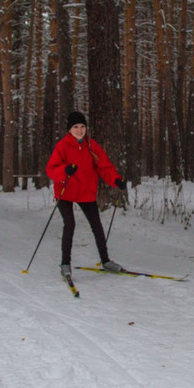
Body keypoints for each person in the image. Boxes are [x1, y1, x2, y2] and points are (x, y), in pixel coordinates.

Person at [46, 111, 128, 278]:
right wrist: (65, 170)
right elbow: (51, 170)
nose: (80, 130)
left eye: (82, 126)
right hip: (65, 191)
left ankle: (106, 261)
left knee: (96, 225)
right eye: (76, 127)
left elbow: (104, 166)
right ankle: (65, 264)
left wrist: (116, 180)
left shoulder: (91, 145)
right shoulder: (62, 146)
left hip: (85, 191)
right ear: (69, 129)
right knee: (70, 224)